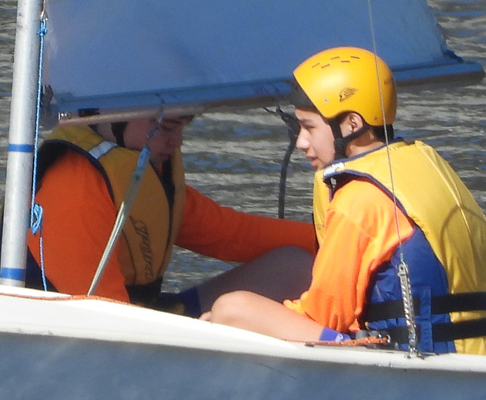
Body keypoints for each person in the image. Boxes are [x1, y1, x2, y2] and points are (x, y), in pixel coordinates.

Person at [206, 47, 486, 355]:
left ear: (352, 124)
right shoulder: (427, 165)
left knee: (233, 308)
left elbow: (325, 315)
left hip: (416, 361)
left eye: (309, 127)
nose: (301, 142)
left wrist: (234, 323)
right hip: (478, 351)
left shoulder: (359, 199)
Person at [29, 112, 317, 313]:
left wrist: (336, 239)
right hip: (98, 337)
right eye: (166, 127)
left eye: (182, 127)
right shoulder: (74, 189)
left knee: (295, 265)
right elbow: (102, 319)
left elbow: (231, 233)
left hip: (148, 315)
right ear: (113, 116)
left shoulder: (138, 173)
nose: (177, 141)